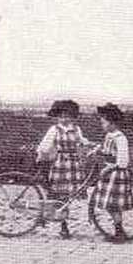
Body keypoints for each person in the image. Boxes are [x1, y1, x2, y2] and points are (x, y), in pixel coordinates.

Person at [36, 100, 94, 240]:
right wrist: (41, 155)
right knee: (60, 196)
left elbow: (81, 140)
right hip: (60, 164)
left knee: (69, 197)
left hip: (73, 164)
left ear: (72, 116)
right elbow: (45, 145)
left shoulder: (76, 129)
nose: (65, 118)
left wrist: (89, 144)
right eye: (62, 116)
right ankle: (63, 226)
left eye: (67, 115)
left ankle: (53, 219)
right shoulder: (54, 129)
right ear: (57, 117)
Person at [90, 103, 133, 243]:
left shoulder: (120, 138)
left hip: (116, 174)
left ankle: (120, 232)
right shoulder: (110, 135)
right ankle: (118, 229)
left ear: (112, 122)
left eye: (103, 121)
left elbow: (122, 160)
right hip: (109, 172)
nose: (102, 124)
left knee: (113, 205)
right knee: (109, 204)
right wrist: (96, 150)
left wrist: (111, 167)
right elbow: (105, 148)